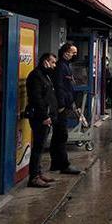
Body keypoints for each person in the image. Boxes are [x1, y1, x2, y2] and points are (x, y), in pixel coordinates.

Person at [25, 53, 59, 188]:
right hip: (40, 117)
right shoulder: (36, 76)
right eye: (52, 62)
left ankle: (38, 173)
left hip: (47, 116)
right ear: (45, 62)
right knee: (38, 148)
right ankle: (33, 177)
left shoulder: (46, 75)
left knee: (40, 146)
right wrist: (44, 116)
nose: (54, 65)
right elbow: (37, 98)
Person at [53, 43, 81, 175]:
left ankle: (55, 163)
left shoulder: (66, 66)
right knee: (62, 135)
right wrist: (62, 105)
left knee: (58, 135)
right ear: (65, 52)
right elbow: (59, 87)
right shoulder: (60, 67)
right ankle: (64, 164)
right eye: (73, 53)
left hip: (66, 104)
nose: (75, 55)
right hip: (61, 107)